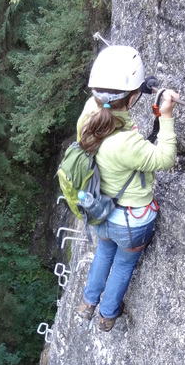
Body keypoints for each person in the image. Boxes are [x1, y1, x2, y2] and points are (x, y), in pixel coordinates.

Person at [75, 45, 179, 331]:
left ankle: (88, 302)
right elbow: (165, 158)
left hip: (102, 212)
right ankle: (107, 314)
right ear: (133, 98)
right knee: (122, 265)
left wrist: (135, 89)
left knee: (103, 253)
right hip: (132, 222)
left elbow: (105, 101)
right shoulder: (126, 143)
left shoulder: (87, 118)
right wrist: (166, 115)